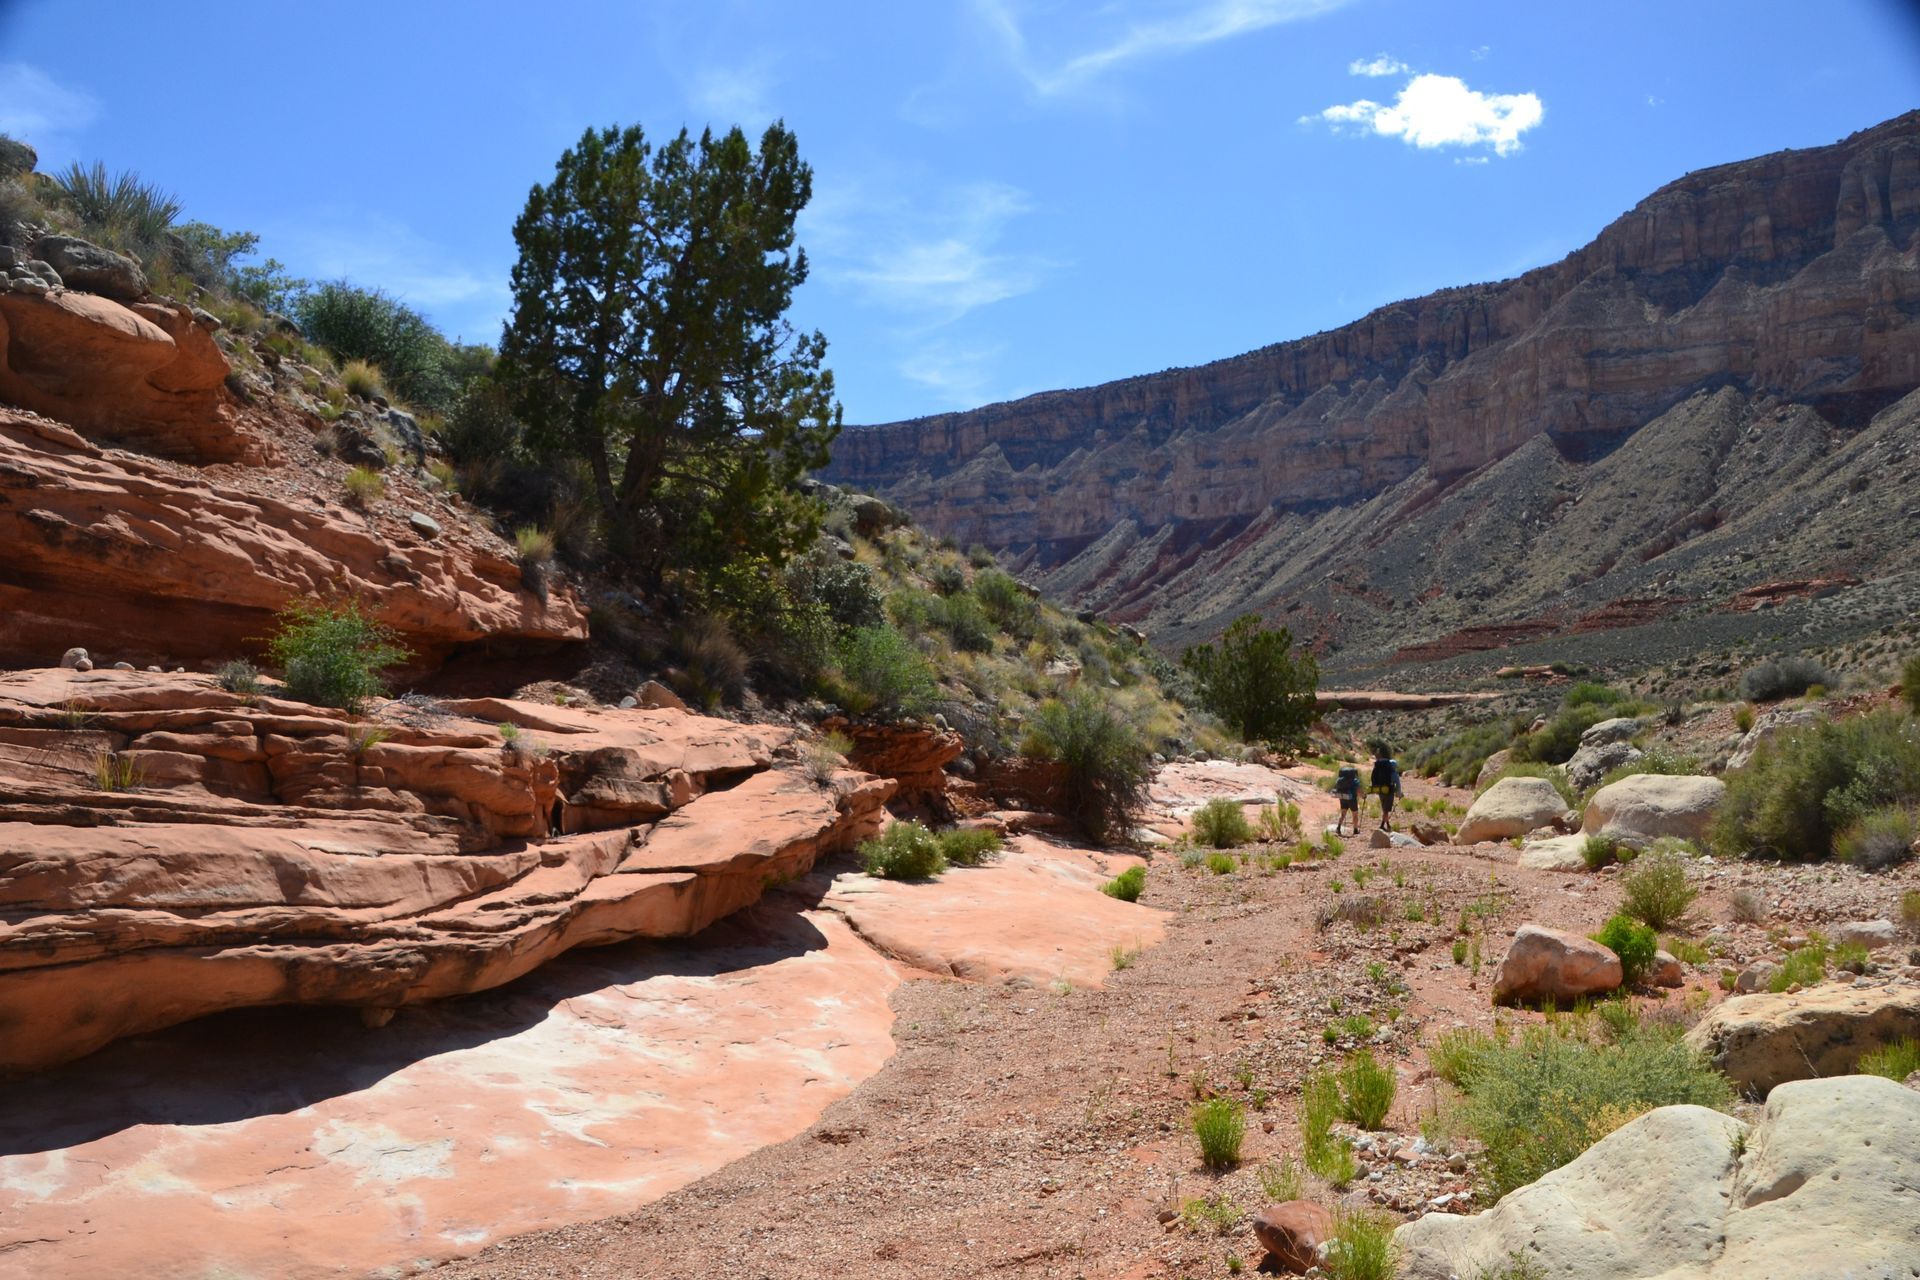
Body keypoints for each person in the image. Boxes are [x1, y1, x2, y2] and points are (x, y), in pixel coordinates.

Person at [1370, 743, 1403, 832]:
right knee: (1386, 810)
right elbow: (1398, 785)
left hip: (1381, 790)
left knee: (1385, 808)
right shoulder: (1393, 773)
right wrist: (1399, 794)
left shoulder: (1380, 769)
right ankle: (1382, 825)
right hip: (1389, 791)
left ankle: (1387, 824)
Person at [1333, 764, 1362, 834]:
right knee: (1355, 814)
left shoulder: (1340, 780)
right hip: (1352, 799)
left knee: (1343, 814)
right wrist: (1363, 796)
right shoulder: (1355, 781)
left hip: (1343, 797)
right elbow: (1358, 792)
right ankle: (1355, 830)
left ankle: (1338, 828)